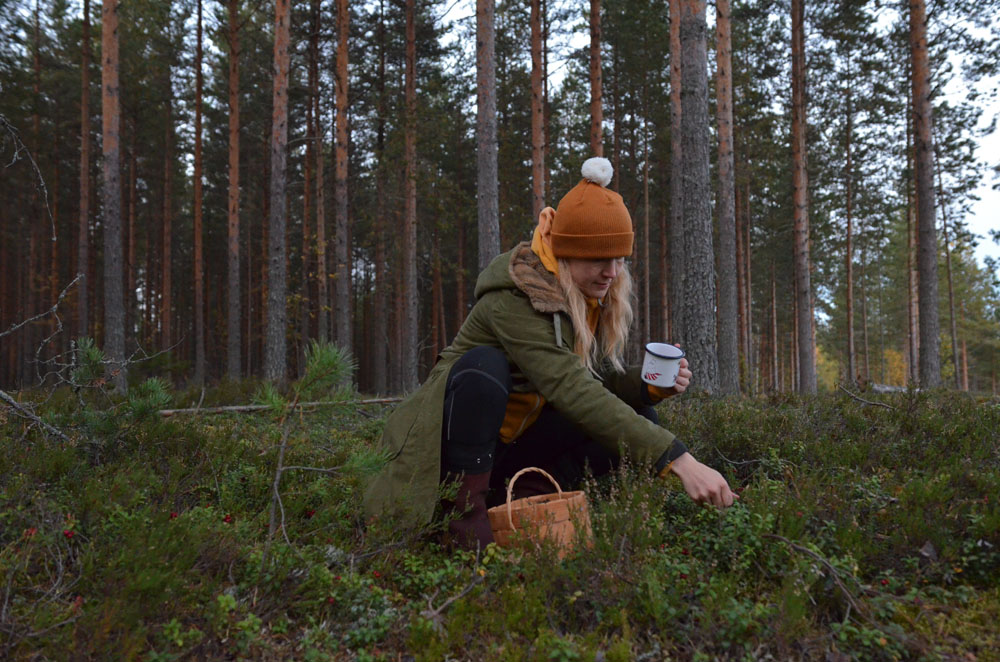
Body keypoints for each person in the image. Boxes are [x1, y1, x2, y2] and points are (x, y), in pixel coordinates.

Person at [363, 157, 735, 549]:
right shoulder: (516, 297)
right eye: (598, 260)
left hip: (514, 443)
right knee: (482, 368)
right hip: (452, 449)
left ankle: (521, 493)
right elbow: (571, 388)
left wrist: (646, 385)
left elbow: (595, 377)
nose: (612, 272)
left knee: (642, 414)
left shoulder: (580, 293)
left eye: (618, 259)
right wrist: (677, 459)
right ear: (565, 254)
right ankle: (462, 513)